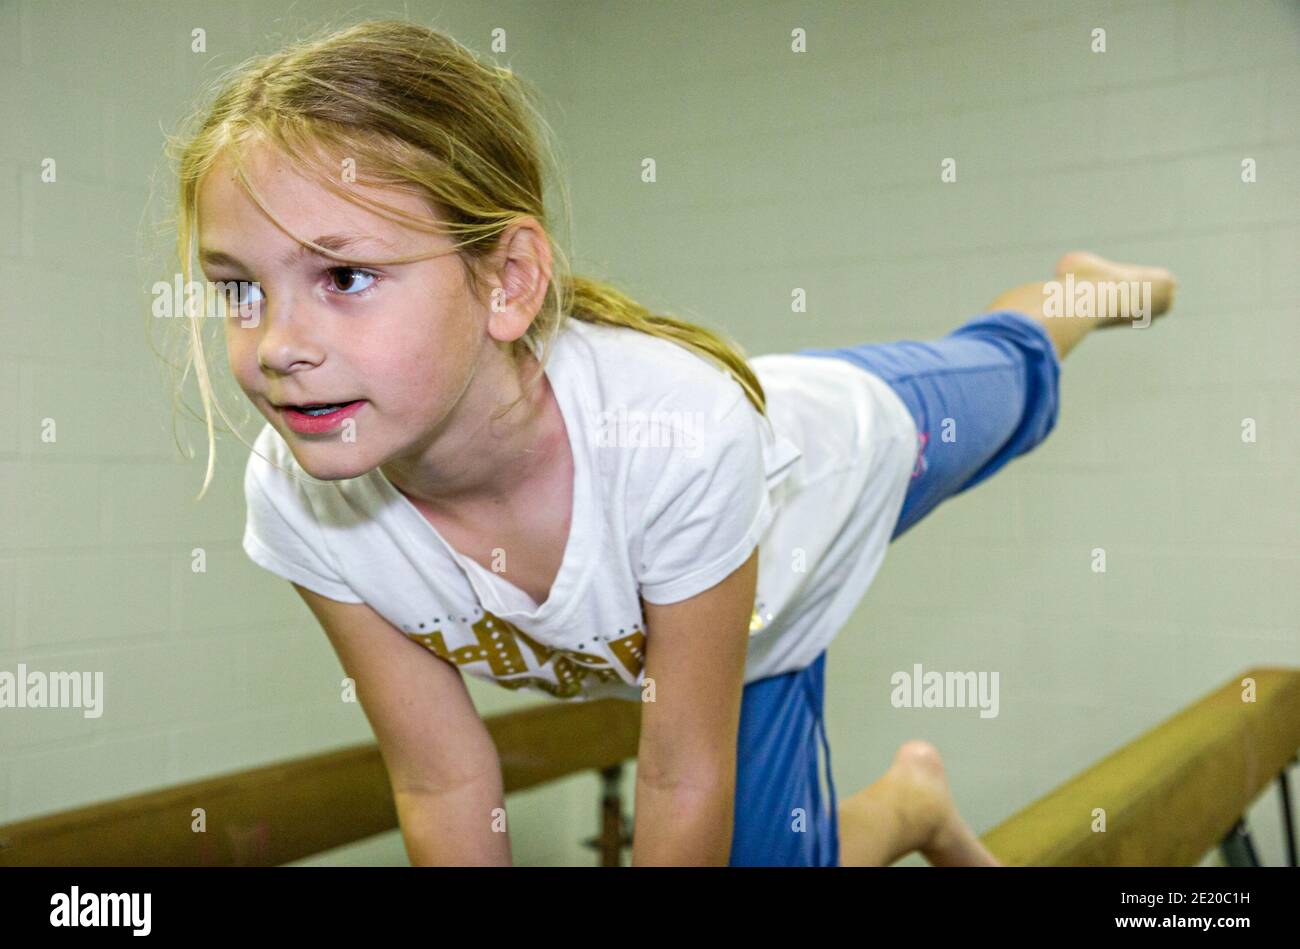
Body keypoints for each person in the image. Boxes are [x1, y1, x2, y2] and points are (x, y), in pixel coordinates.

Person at [164, 19, 1176, 866]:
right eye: (237, 288)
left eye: (343, 277)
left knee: (1005, 367)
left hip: (843, 454)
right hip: (751, 632)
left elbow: (677, 769)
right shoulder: (302, 496)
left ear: (508, 280)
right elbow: (442, 773)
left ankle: (1073, 294)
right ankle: (911, 801)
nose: (279, 346)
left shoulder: (679, 434)